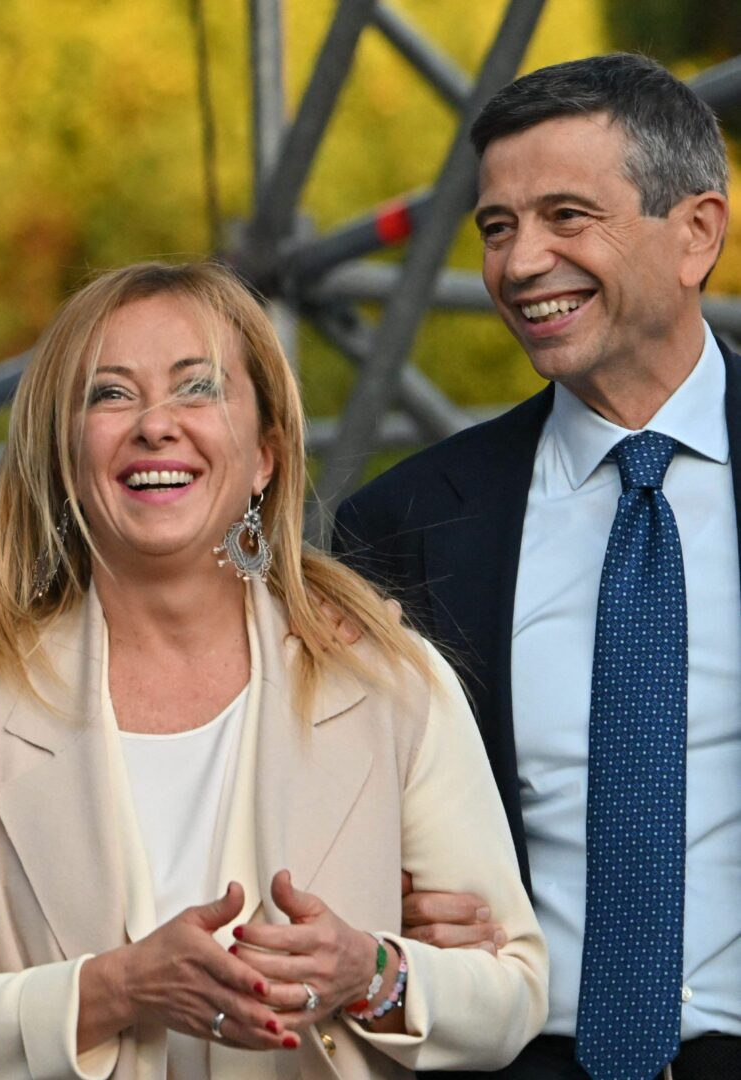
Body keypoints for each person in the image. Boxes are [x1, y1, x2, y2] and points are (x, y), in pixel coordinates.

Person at [0, 260, 546, 1078]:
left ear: (266, 455)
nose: (155, 425)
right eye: (110, 394)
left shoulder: (390, 680)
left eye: (198, 388)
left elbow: (512, 994)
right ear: (64, 455)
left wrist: (372, 974)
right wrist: (116, 989)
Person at [332, 53, 738, 1080]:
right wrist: (394, 897)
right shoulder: (403, 525)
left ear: (697, 233)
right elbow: (337, 822)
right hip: (517, 1057)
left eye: (567, 216)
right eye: (497, 227)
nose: (520, 264)